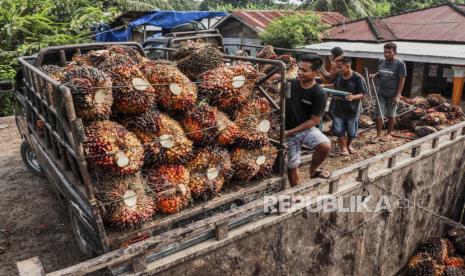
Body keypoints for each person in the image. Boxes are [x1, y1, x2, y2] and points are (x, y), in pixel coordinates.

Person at [285, 54, 332, 187]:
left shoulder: (319, 93)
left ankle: (313, 170)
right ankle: (296, 192)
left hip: (305, 128)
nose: (300, 72)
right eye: (299, 68)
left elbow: (315, 120)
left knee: (325, 146)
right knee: (292, 164)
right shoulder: (291, 83)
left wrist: (290, 132)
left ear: (316, 73)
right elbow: (282, 101)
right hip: (287, 128)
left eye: (304, 70)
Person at [370, 42, 407, 140]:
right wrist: (375, 75)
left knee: (391, 114)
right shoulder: (381, 61)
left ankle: (389, 133)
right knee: (379, 114)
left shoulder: (400, 64)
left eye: (389, 52)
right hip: (381, 93)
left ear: (395, 52)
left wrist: (398, 95)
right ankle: (378, 134)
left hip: (393, 94)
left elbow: (402, 79)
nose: (386, 54)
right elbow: (381, 72)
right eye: (385, 52)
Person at [331, 56, 367, 155]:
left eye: (340, 67)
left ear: (347, 66)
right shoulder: (339, 76)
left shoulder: (358, 78)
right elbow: (334, 86)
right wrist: (323, 87)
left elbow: (363, 94)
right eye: (337, 67)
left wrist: (353, 97)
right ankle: (343, 147)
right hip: (339, 108)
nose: (337, 70)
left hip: (352, 110)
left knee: (352, 131)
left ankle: (349, 145)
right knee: (338, 129)